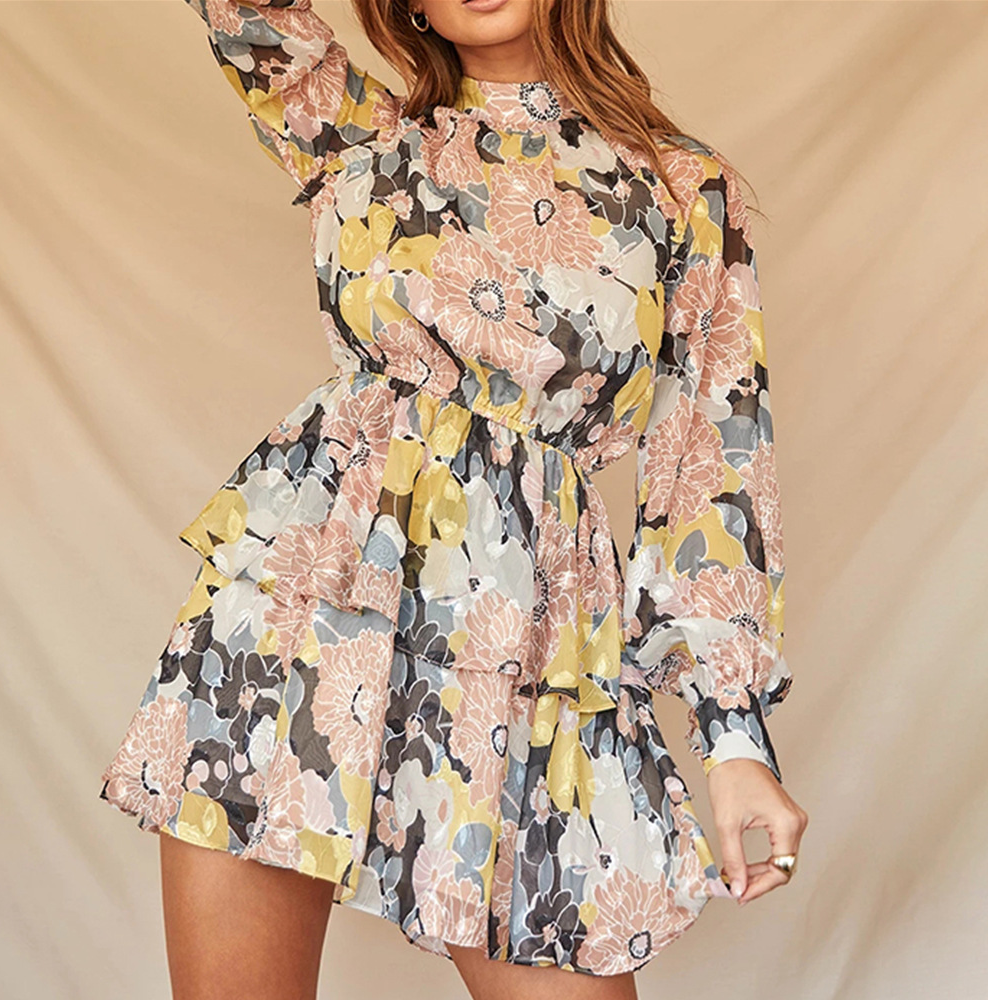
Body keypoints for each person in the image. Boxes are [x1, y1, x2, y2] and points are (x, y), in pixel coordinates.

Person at [97, 0, 808, 997]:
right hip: (297, 628)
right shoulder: (354, 133)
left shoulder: (682, 190)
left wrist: (732, 739)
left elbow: (710, 468)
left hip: (524, 653)